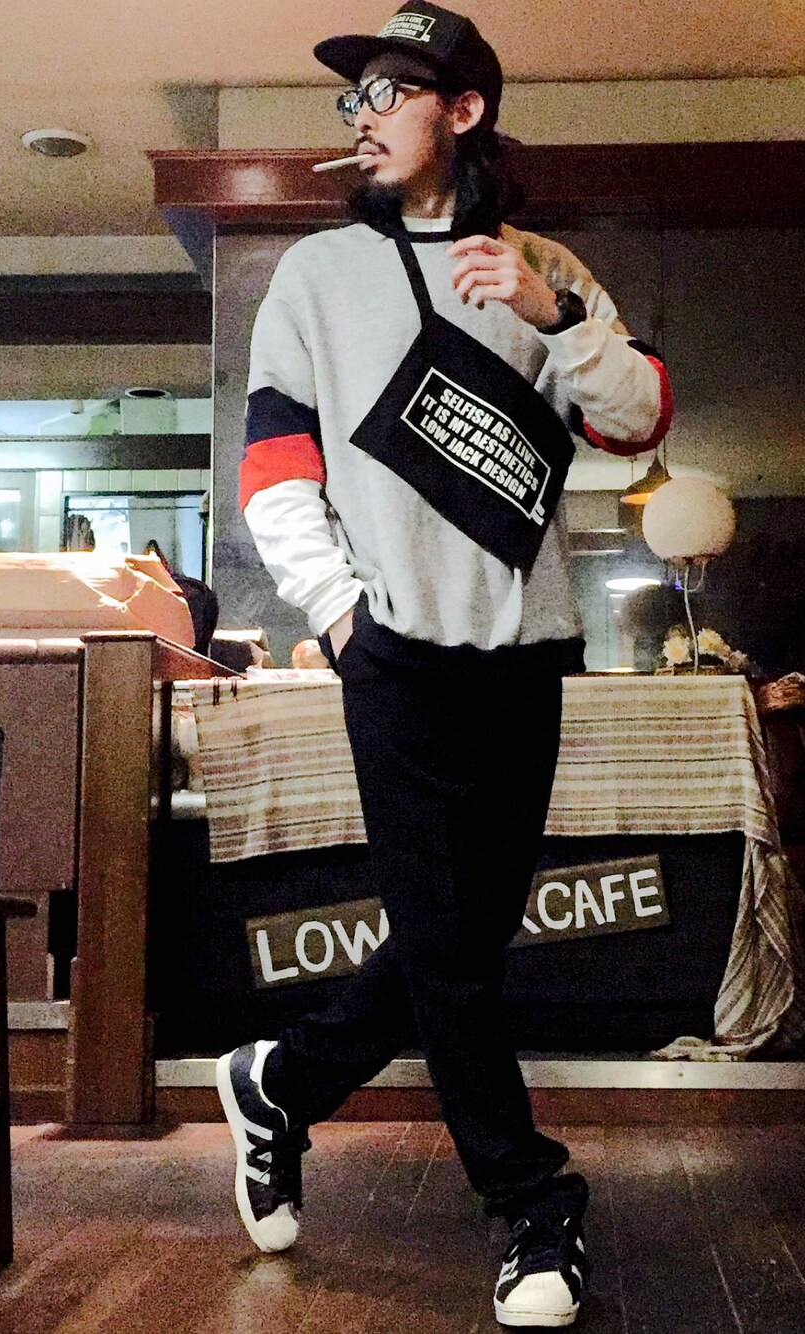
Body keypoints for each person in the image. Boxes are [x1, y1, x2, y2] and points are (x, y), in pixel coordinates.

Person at [217, 3, 673, 1327]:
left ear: (462, 110)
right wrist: (339, 613)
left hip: (526, 653)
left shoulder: (548, 266)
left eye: (389, 91)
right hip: (395, 654)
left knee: (456, 938)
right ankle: (532, 1203)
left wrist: (558, 315)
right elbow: (275, 465)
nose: (360, 117)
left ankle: (280, 1083)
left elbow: (640, 421)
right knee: (455, 954)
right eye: (351, 97)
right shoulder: (315, 276)